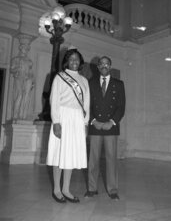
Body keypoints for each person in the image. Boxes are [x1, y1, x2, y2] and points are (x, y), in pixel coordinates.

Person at [46, 48, 90, 203]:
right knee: (59, 154)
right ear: (67, 61)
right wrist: (56, 122)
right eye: (71, 59)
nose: (74, 61)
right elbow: (54, 101)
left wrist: (85, 124)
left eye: (77, 59)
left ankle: (66, 189)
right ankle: (57, 190)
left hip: (77, 119)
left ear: (80, 61)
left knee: (69, 154)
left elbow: (87, 104)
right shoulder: (59, 77)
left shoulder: (84, 80)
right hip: (63, 117)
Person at [85, 56, 125, 200]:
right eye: (101, 64)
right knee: (93, 160)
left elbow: (121, 107)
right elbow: (86, 105)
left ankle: (113, 190)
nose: (104, 66)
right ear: (97, 67)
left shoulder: (119, 84)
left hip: (111, 127)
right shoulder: (91, 83)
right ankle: (92, 188)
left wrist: (112, 121)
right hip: (95, 126)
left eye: (107, 64)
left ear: (110, 66)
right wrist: (93, 120)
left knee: (111, 159)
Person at [11, 43, 34, 120]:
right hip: (19, 78)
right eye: (24, 48)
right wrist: (17, 68)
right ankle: (15, 115)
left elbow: (30, 72)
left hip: (27, 78)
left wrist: (32, 80)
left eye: (27, 49)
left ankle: (23, 115)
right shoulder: (16, 59)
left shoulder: (29, 61)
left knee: (26, 96)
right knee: (20, 95)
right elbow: (12, 69)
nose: (26, 50)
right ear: (21, 49)